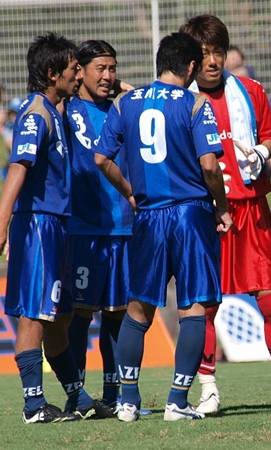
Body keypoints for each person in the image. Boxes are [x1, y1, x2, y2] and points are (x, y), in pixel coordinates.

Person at [94, 32, 232, 422]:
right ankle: (177, 401)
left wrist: (130, 192)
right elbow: (210, 165)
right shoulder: (196, 103)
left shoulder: (125, 102)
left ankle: (127, 401)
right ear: (191, 66)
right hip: (189, 215)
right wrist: (221, 207)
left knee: (138, 309)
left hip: (148, 217)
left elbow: (101, 158)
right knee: (193, 308)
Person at [179, 14, 271, 413]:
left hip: (252, 208)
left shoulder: (250, 91)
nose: (213, 61)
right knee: (205, 308)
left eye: (218, 51)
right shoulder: (181, 99)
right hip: (206, 214)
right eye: (205, 53)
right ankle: (208, 391)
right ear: (191, 59)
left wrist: (262, 153)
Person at [0, 32, 112, 423]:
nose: (79, 74)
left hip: (58, 227)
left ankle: (77, 398)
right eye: (74, 68)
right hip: (38, 225)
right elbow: (18, 168)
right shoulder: (36, 114)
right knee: (34, 314)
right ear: (52, 73)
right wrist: (2, 222)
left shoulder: (55, 109)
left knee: (58, 318)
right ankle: (33, 405)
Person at [63, 40, 134, 412]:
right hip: (83, 230)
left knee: (118, 313)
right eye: (100, 69)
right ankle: (76, 396)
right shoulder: (66, 109)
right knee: (79, 314)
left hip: (123, 227)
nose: (108, 76)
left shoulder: (122, 108)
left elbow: (140, 101)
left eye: (112, 68)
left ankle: (114, 395)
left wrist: (123, 87)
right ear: (80, 71)